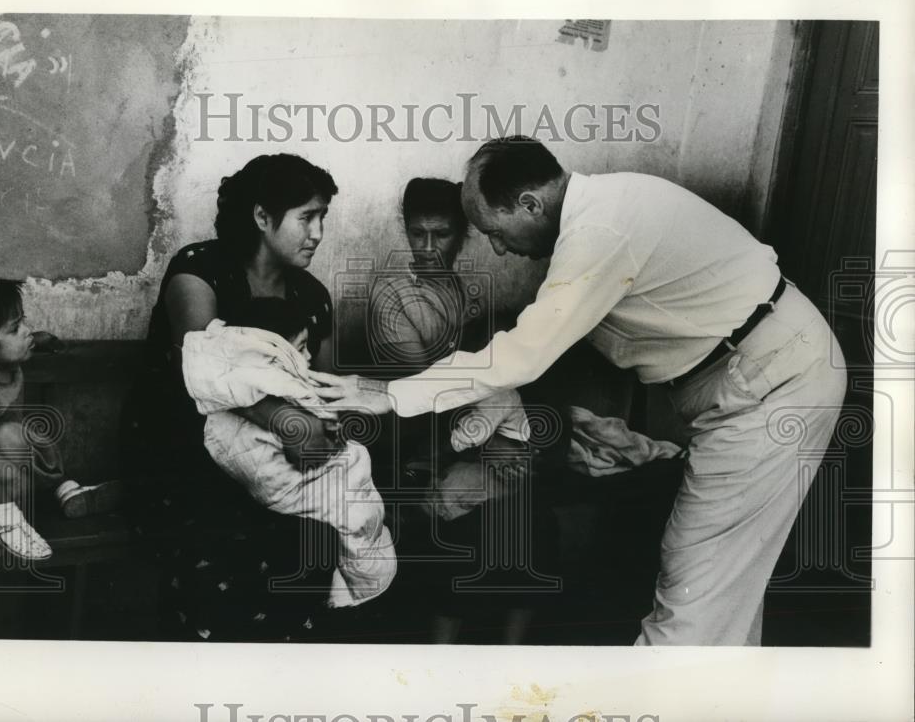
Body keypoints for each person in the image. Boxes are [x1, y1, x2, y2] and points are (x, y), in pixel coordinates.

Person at [313, 136, 848, 646]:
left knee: (691, 588)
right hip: (756, 374)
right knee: (724, 592)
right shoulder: (603, 211)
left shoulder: (599, 234)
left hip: (771, 384)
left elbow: (526, 351)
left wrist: (389, 394)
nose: (498, 249)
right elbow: (538, 347)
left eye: (495, 232)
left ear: (529, 204)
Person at [124, 152, 344, 642]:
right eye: (306, 217)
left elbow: (325, 388)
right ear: (262, 217)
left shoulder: (311, 296)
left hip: (280, 460)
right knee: (220, 549)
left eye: (322, 217)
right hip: (187, 457)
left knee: (319, 526)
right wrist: (287, 421)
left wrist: (324, 430)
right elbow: (203, 369)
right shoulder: (199, 271)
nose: (318, 233)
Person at [369, 177, 555, 645]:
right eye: (417, 233)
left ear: (465, 231)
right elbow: (420, 397)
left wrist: (505, 440)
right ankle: (442, 656)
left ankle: (512, 656)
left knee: (534, 517)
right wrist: (490, 440)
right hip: (417, 441)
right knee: (468, 528)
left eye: (442, 233)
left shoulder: (471, 289)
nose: (428, 247)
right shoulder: (392, 295)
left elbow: (497, 372)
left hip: (475, 434)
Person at [179, 298, 397, 609]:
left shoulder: (236, 384)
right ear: (275, 354)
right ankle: (358, 584)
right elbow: (318, 444)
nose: (308, 357)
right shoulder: (275, 384)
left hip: (269, 493)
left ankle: (352, 581)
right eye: (303, 347)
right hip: (287, 489)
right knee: (356, 511)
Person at [0, 276, 121, 609]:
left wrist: (40, 340)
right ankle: (5, 517)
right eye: (16, 328)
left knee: (24, 436)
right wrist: (5, 474)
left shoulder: (1, 361)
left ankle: (64, 492)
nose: (27, 330)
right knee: (10, 435)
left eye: (24, 322)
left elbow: (23, 339)